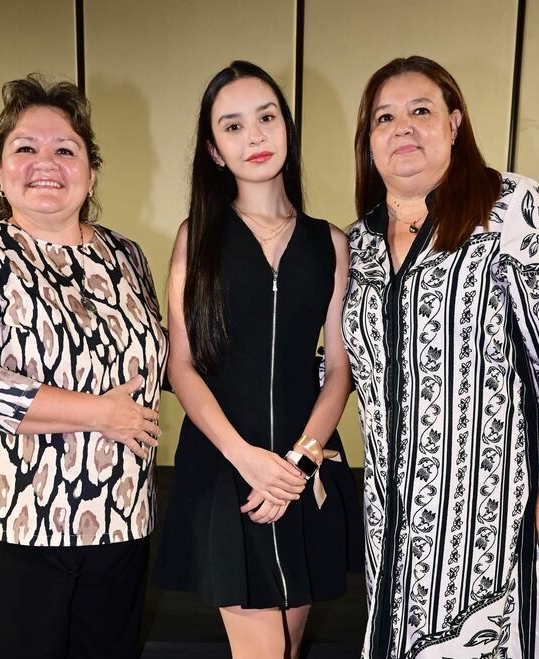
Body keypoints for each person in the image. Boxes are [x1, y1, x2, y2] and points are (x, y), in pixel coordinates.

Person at [343, 56, 539, 658]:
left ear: (455, 123)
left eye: (421, 111)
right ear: (369, 141)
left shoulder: (511, 208)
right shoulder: (356, 244)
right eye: (384, 117)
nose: (402, 127)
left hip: (495, 518)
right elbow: (342, 369)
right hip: (391, 519)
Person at [0, 75, 168, 659]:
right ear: (2, 171)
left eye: (65, 149)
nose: (45, 162)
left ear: (91, 171)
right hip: (11, 521)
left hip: (120, 515)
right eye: (25, 148)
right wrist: (102, 414)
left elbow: (161, 358)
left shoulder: (125, 254)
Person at [154, 61, 363, 659]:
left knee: (290, 646)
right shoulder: (196, 237)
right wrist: (246, 459)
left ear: (287, 130)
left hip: (306, 470)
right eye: (234, 126)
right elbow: (182, 366)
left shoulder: (331, 243)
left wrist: (295, 463)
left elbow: (339, 369)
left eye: (267, 118)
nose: (255, 137)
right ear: (215, 151)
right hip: (227, 471)